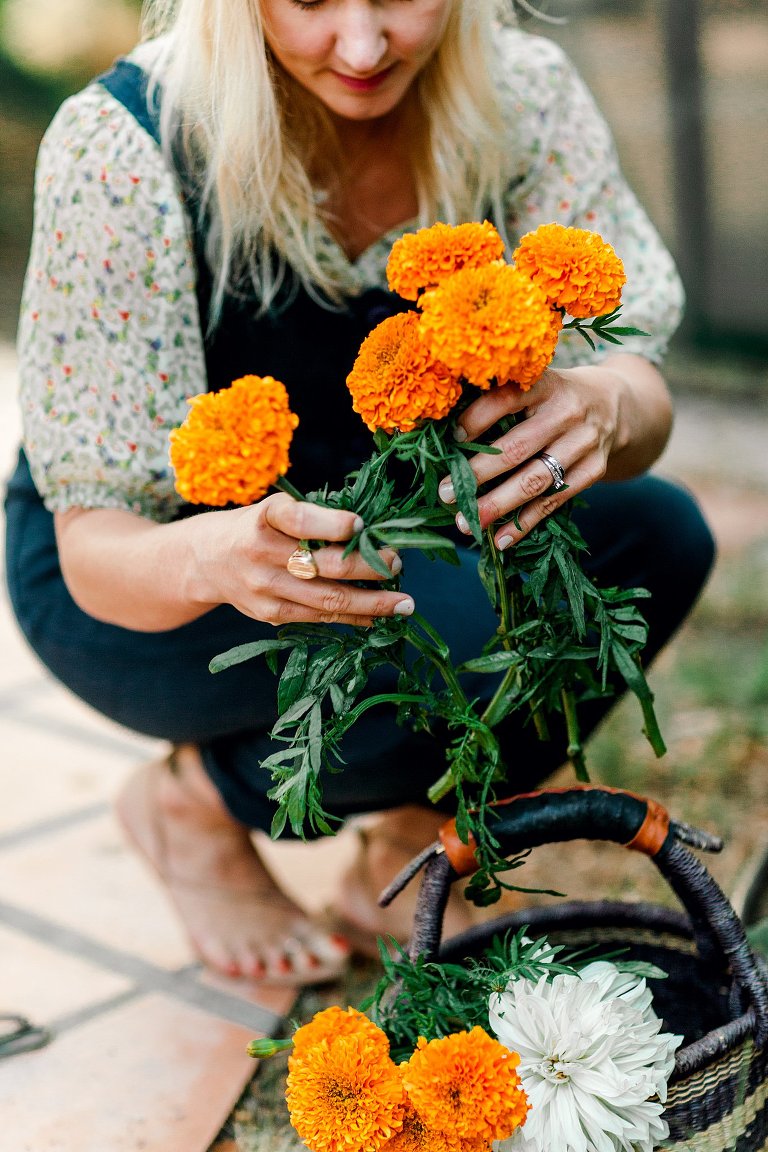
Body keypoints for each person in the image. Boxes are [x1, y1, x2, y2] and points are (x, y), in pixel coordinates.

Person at [5, 0, 715, 986]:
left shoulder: (524, 97)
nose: (362, 46)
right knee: (442, 647)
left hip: (398, 540)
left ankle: (405, 841)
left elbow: (641, 391)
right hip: (154, 583)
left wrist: (608, 403)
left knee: (657, 538)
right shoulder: (128, 144)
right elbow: (96, 546)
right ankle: (195, 808)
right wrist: (215, 553)